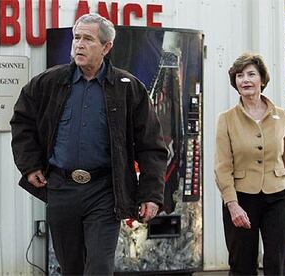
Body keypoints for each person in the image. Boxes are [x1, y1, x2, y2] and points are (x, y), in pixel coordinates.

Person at [10, 13, 167, 276]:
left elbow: (151, 144)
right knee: (71, 267)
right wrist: (30, 165)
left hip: (105, 192)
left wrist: (151, 193)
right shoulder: (48, 83)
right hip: (60, 188)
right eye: (76, 38)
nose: (79, 45)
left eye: (88, 39)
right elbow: (22, 122)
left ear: (106, 47)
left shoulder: (128, 88)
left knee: (99, 266)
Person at [214, 53, 285, 276]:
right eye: (240, 76)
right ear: (235, 83)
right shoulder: (226, 119)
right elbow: (222, 165)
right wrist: (232, 204)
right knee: (242, 265)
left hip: (278, 195)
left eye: (251, 74)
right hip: (241, 198)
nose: (245, 80)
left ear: (262, 80)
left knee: (277, 263)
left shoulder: (281, 115)